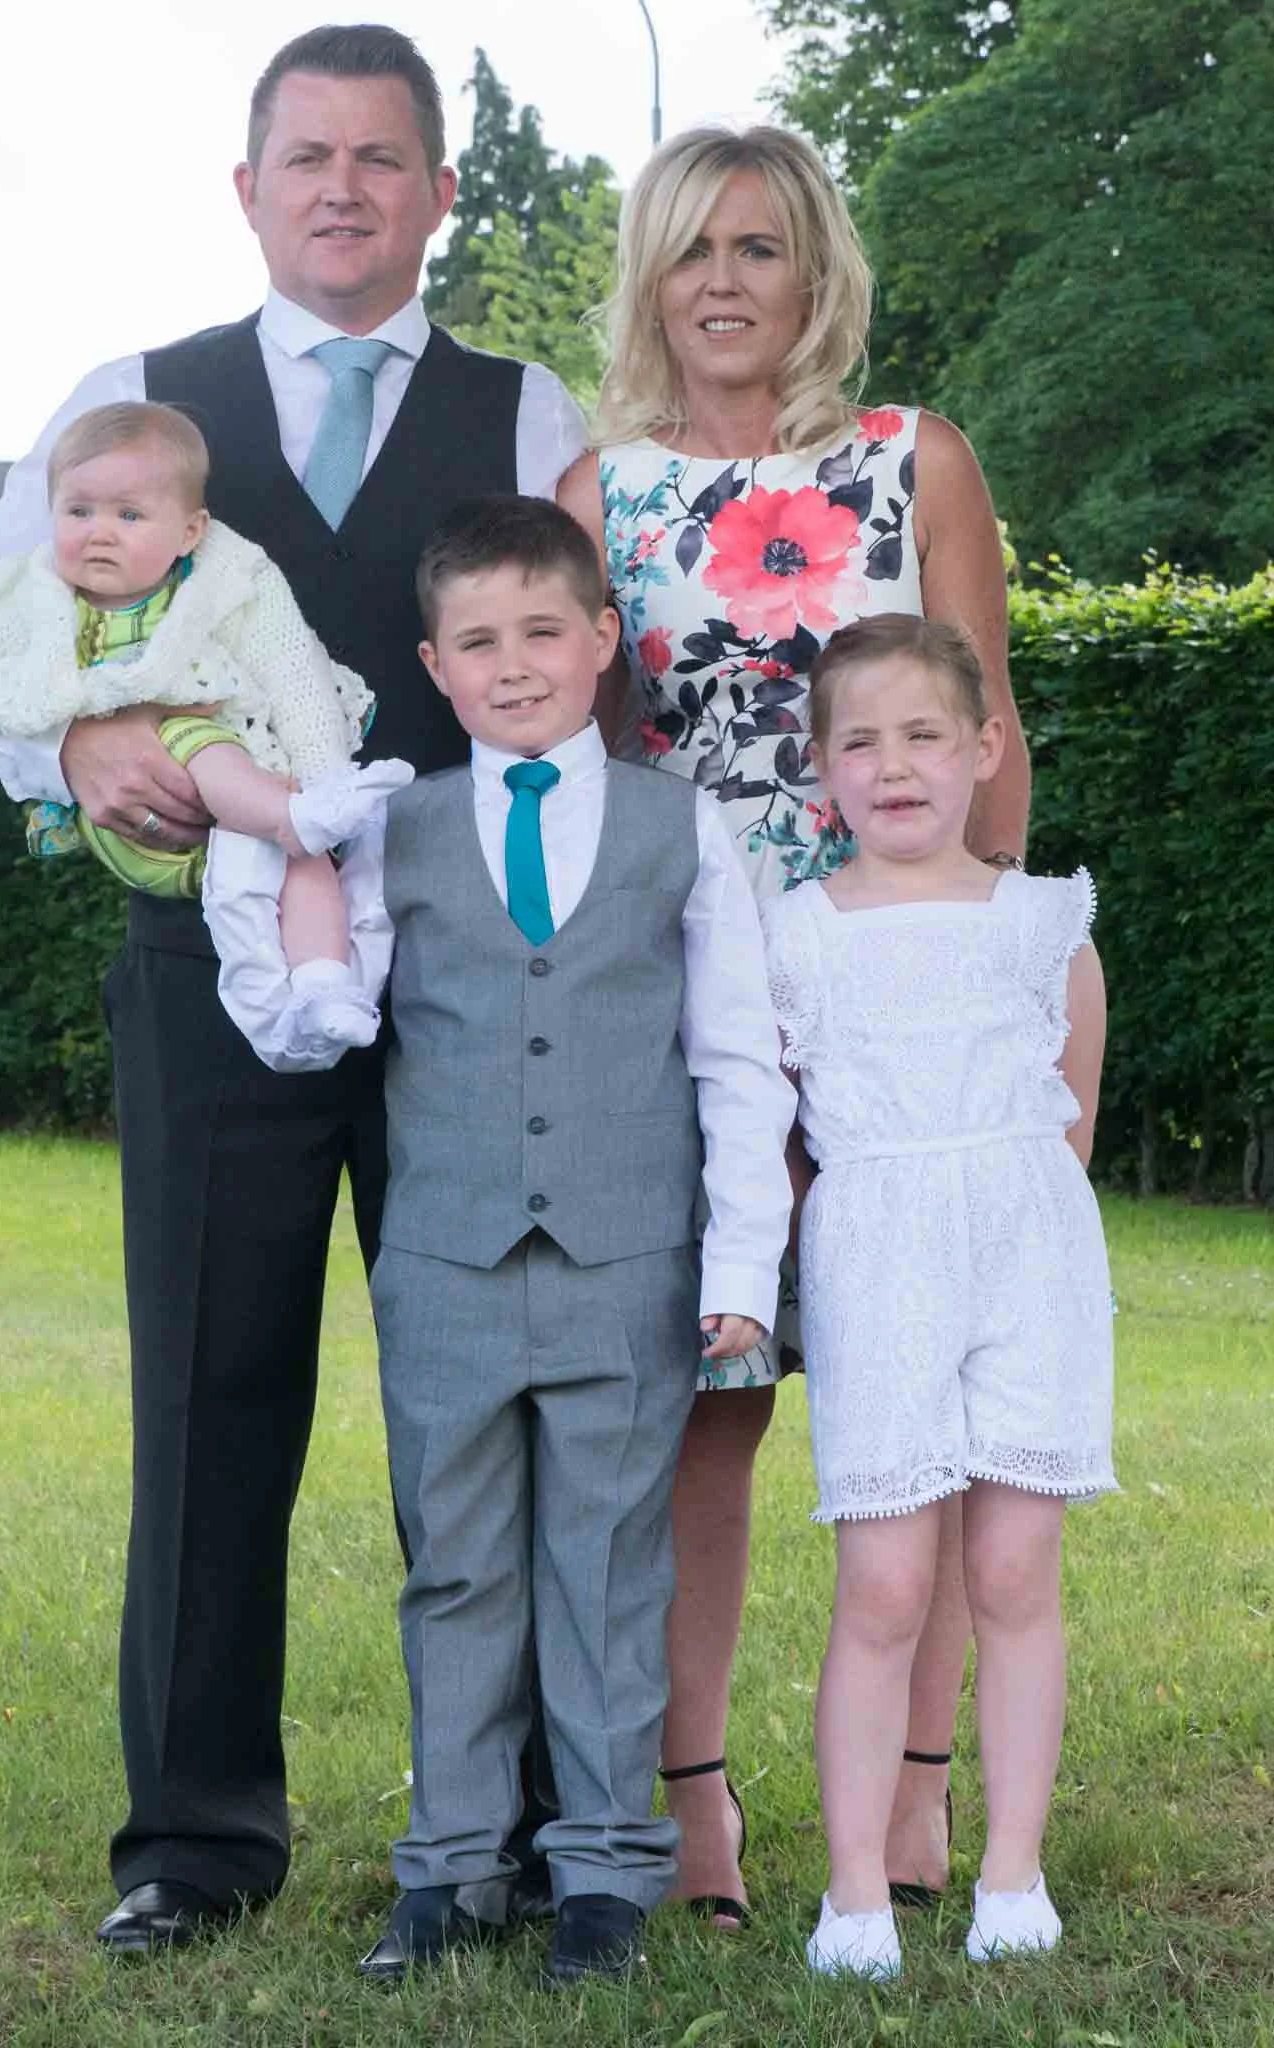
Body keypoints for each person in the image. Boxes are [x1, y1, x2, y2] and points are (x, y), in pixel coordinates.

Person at [0, 25, 588, 1952]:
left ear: (439, 190)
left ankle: (502, 1825)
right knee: (210, 1391)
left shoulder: (529, 409)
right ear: (246, 186)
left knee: (481, 1401)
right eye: (307, 156)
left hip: (472, 973)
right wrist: (67, 748)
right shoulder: (135, 401)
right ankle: (195, 1838)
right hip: (204, 973)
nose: (341, 190)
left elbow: (587, 673)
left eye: (381, 158)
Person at [558, 122, 1030, 1925]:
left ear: (814, 270)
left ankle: (916, 1791)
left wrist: (981, 965)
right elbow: (578, 769)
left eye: (756, 246)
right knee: (714, 1402)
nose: (722, 281)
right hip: (689, 1003)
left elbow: (992, 737)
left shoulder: (918, 460)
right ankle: (694, 1798)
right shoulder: (604, 494)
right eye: (690, 249)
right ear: (650, 279)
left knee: (923, 1394)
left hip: (901, 984)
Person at [339, 495, 794, 1986]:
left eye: (543, 630)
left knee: (607, 1566)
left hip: (626, 1264)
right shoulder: (393, 829)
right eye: (478, 641)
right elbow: (324, 1006)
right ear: (436, 665)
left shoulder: (681, 827)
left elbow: (736, 1059)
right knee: (455, 1567)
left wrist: (740, 1269)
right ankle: (451, 1867)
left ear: (604, 640)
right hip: (446, 1267)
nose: (514, 663)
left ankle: (602, 1871)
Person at [762, 613, 1113, 1979]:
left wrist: (1014, 1234)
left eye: (924, 734)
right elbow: (778, 1135)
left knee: (1015, 1566)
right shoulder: (795, 938)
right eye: (861, 741)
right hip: (878, 1260)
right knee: (886, 1579)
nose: (894, 764)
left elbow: (1069, 1122)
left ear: (984, 746)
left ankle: (1012, 1873)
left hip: (1028, 1259)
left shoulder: (1045, 924)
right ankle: (856, 1892)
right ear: (821, 768)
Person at [0, 399, 411, 1071]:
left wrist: (325, 776)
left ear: (189, 532)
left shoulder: (225, 585)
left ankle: (319, 990)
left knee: (297, 870)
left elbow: (295, 675)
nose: (99, 533)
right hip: (129, 821)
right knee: (197, 739)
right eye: (78, 511)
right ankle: (291, 815)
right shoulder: (22, 601)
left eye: (128, 516)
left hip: (231, 823)